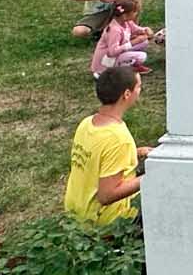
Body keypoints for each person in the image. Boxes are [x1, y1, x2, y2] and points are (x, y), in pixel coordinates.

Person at [64, 66, 152, 226]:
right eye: (138, 86)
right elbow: (106, 196)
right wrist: (151, 179)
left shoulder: (87, 123)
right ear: (126, 94)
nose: (140, 90)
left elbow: (98, 157)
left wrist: (137, 152)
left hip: (76, 211)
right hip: (105, 222)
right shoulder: (118, 139)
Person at [90, 0, 158, 78]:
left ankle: (124, 64)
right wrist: (133, 42)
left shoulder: (126, 22)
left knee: (144, 42)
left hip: (118, 53)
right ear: (125, 15)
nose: (136, 14)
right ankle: (112, 70)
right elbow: (112, 52)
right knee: (142, 56)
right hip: (107, 60)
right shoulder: (114, 30)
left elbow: (136, 29)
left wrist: (145, 30)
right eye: (134, 12)